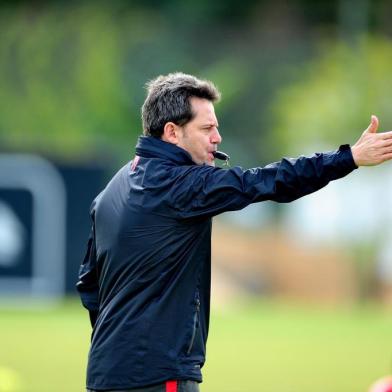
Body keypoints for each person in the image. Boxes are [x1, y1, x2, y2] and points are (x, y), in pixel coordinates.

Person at [76, 72, 392, 392]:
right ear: (172, 132)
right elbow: (268, 180)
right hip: (158, 375)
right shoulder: (180, 185)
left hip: (105, 372)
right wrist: (348, 158)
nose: (218, 137)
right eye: (207, 128)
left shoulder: (111, 189)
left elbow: (89, 285)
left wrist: (120, 343)